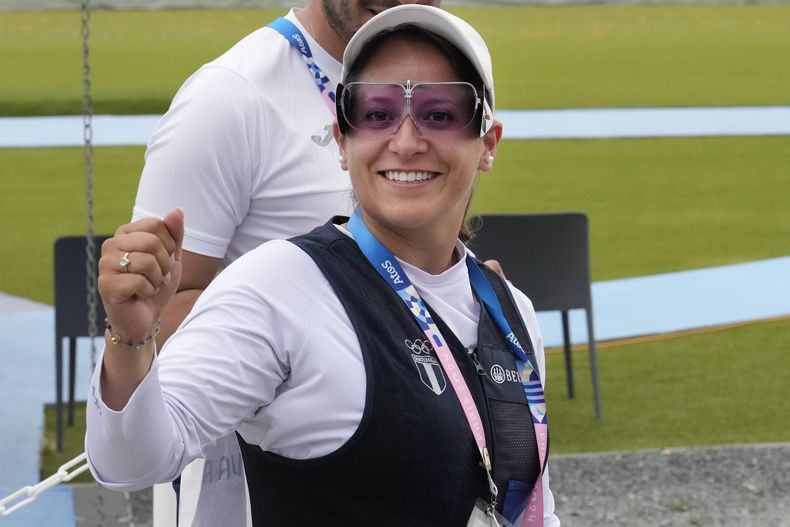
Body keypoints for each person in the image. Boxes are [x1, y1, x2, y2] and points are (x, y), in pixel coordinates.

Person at [87, 5, 560, 526]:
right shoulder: (277, 283)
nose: (406, 142)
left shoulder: (509, 310)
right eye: (376, 113)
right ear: (341, 139)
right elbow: (129, 461)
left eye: (441, 113)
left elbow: (533, 507)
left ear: (487, 143)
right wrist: (130, 340)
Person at [133, 1, 439, 524]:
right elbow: (155, 315)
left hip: (404, 466)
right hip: (255, 491)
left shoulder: (442, 81)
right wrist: (319, 332)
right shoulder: (230, 95)